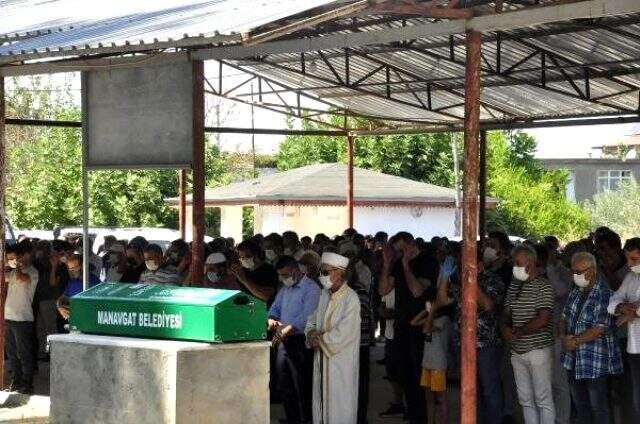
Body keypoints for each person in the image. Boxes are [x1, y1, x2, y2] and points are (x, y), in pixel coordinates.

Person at [379, 232, 439, 424]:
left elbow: (417, 290)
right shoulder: (396, 264)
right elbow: (383, 290)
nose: (399, 253)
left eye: (402, 249)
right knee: (404, 376)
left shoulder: (427, 262)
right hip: (401, 325)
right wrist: (388, 264)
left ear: (411, 244)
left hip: (421, 325)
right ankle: (413, 414)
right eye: (397, 251)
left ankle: (421, 417)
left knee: (419, 377)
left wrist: (406, 265)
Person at [560, 252, 622, 424]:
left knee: (599, 407)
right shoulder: (575, 292)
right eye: (573, 272)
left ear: (593, 271)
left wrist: (574, 341)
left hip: (595, 361)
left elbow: (599, 328)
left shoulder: (605, 294)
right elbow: (563, 318)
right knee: (581, 406)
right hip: (572, 359)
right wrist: (563, 336)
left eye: (579, 272)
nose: (576, 276)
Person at [502, 244, 555, 424]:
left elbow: (543, 319)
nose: (514, 267)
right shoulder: (514, 286)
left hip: (538, 350)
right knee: (525, 399)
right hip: (517, 351)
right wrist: (506, 329)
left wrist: (516, 332)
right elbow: (506, 313)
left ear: (531, 263)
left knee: (543, 399)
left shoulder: (544, 286)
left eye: (518, 263)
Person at [305, 252, 361, 424]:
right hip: (322, 359)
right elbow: (312, 319)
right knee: (321, 404)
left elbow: (345, 331)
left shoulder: (351, 298)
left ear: (340, 272)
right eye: (321, 272)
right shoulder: (324, 294)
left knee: (340, 407)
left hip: (340, 363)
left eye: (326, 272)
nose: (322, 276)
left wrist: (319, 340)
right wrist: (311, 333)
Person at [269, 256, 321, 424]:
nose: (282, 278)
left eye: (285, 274)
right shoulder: (285, 289)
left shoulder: (311, 289)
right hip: (283, 341)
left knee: (302, 386)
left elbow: (308, 316)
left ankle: (306, 419)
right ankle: (292, 419)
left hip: (301, 341)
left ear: (295, 271)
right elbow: (274, 308)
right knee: (285, 384)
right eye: (280, 275)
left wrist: (287, 329)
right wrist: (271, 319)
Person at [608, 237, 640, 422]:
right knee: (637, 395)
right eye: (627, 259)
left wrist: (633, 311)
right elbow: (613, 302)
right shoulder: (630, 277)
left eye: (634, 259)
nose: (629, 264)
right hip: (635, 347)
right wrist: (623, 308)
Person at [5, 242, 39, 394]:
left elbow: (21, 279)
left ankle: (27, 383)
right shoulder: (12, 272)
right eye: (11, 258)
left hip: (23, 319)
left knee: (24, 353)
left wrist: (17, 266)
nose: (14, 259)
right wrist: (5, 263)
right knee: (12, 353)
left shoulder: (32, 272)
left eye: (16, 257)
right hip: (9, 317)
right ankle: (16, 381)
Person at [411, 294, 451, 424]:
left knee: (441, 397)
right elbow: (413, 322)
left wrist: (432, 312)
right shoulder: (432, 318)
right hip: (427, 362)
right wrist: (426, 311)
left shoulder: (444, 320)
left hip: (438, 364)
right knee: (429, 398)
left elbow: (426, 329)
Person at [231, 240, 278, 306]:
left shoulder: (269, 270)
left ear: (256, 255)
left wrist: (245, 280)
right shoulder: (243, 271)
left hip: (263, 310)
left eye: (247, 256)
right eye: (241, 257)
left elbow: (266, 296)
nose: (244, 260)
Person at [56, 254, 100, 321]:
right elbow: (62, 298)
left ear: (82, 266)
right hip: (74, 322)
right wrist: (60, 307)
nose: (72, 271)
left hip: (90, 321)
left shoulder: (94, 281)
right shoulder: (72, 282)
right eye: (70, 269)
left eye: (74, 268)